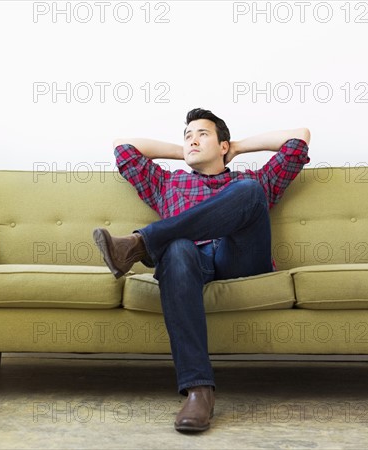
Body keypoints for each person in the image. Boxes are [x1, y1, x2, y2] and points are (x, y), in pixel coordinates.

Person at [93, 108, 310, 432]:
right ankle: (199, 391)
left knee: (251, 193)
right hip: (187, 265)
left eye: (202, 134)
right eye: (187, 135)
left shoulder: (250, 181)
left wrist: (235, 146)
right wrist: (183, 152)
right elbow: (123, 146)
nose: (192, 140)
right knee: (178, 247)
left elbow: (299, 138)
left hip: (239, 259)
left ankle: (140, 245)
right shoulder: (167, 182)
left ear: (223, 145)